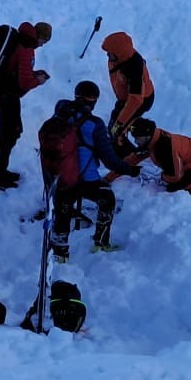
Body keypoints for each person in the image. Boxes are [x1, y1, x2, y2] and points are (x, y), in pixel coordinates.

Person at [53, 82, 132, 260]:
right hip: (87, 180)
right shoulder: (95, 125)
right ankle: (101, 242)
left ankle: (60, 253)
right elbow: (109, 160)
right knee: (107, 199)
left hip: (63, 179)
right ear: (94, 101)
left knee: (62, 212)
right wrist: (129, 169)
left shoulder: (60, 113)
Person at [0, 21, 52, 190]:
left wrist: (34, 75)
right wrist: (38, 80)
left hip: (3, 92)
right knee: (8, 134)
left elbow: (19, 72)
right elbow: (23, 82)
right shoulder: (27, 48)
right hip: (7, 95)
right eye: (44, 42)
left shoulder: (21, 40)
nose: (42, 45)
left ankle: (0, 170)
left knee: (11, 132)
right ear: (40, 37)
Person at [122, 117, 191, 210]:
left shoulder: (164, 147)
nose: (135, 142)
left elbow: (175, 176)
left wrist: (162, 177)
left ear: (146, 135)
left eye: (137, 138)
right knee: (183, 184)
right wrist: (111, 175)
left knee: (176, 188)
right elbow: (132, 160)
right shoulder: (153, 139)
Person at [100, 32, 155, 141]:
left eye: (111, 54)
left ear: (120, 54)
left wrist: (120, 123)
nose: (108, 56)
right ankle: (118, 132)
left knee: (119, 128)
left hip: (141, 101)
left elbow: (135, 100)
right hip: (126, 99)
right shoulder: (119, 59)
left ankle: (137, 140)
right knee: (115, 121)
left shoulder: (134, 69)